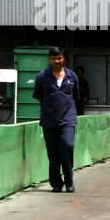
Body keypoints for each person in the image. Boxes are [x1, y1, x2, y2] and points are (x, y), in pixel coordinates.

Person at [32, 46, 79, 193]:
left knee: (67, 146)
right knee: (53, 154)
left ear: (64, 58)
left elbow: (75, 97)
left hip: (67, 119)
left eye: (59, 58)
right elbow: (39, 97)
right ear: (49, 59)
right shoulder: (42, 77)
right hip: (49, 120)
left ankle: (69, 181)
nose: (57, 61)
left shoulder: (72, 76)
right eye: (54, 58)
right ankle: (56, 183)